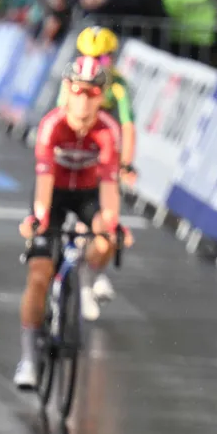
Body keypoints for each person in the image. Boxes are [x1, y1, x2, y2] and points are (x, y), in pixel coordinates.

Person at [13, 57, 131, 389]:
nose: (83, 100)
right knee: (38, 276)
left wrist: (110, 223)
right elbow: (44, 183)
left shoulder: (108, 130)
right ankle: (27, 359)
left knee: (106, 240)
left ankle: (83, 275)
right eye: (77, 91)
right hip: (54, 195)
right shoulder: (52, 126)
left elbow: (109, 186)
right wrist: (38, 218)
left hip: (88, 196)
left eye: (92, 93)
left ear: (101, 97)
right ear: (66, 90)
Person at [56, 25, 136, 308]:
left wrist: (126, 164)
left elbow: (127, 127)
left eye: (102, 59)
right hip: (76, 150)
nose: (94, 63)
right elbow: (60, 117)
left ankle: (96, 271)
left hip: (104, 150)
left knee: (106, 216)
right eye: (88, 56)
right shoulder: (73, 77)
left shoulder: (118, 85)